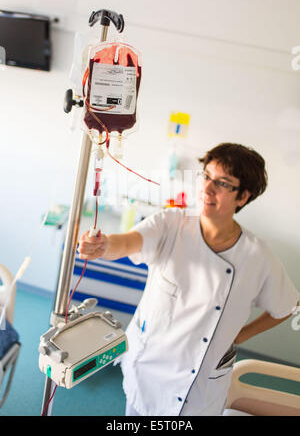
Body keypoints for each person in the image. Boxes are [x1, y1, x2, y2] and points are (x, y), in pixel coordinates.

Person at [78, 142, 299, 416]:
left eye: (223, 183)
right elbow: (129, 242)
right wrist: (104, 245)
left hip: (196, 386)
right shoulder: (171, 224)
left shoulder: (257, 257)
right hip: (148, 366)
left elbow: (287, 307)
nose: (207, 189)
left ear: (242, 197)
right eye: (206, 176)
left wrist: (240, 335)